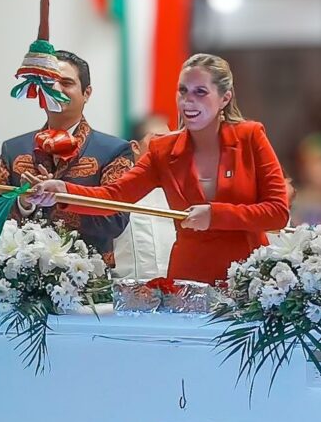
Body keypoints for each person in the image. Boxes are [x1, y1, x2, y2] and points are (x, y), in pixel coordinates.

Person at [27, 54, 290, 284]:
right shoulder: (163, 149)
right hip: (189, 279)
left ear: (225, 98)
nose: (188, 101)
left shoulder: (250, 136)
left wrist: (216, 215)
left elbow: (278, 213)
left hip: (247, 279)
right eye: (183, 91)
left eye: (200, 92)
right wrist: (62, 191)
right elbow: (114, 197)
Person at [0, 50, 132, 261]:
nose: (55, 88)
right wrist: (23, 203)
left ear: (87, 93)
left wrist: (58, 199)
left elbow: (116, 220)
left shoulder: (114, 151)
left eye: (66, 83)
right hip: (15, 280)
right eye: (48, 83)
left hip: (89, 281)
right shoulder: (13, 149)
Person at [111, 115, 177, 279]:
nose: (167, 147)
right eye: (159, 140)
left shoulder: (181, 189)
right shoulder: (116, 188)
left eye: (172, 141)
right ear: (135, 147)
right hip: (127, 292)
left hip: (177, 292)